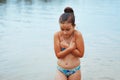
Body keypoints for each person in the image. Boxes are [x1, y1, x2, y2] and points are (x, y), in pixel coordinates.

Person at [54, 7, 84, 80]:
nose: (65, 32)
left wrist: (66, 46)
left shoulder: (77, 35)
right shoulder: (57, 35)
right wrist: (70, 48)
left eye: (68, 29)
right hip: (61, 70)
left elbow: (81, 54)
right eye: (62, 29)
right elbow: (58, 55)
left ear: (73, 26)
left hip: (74, 70)